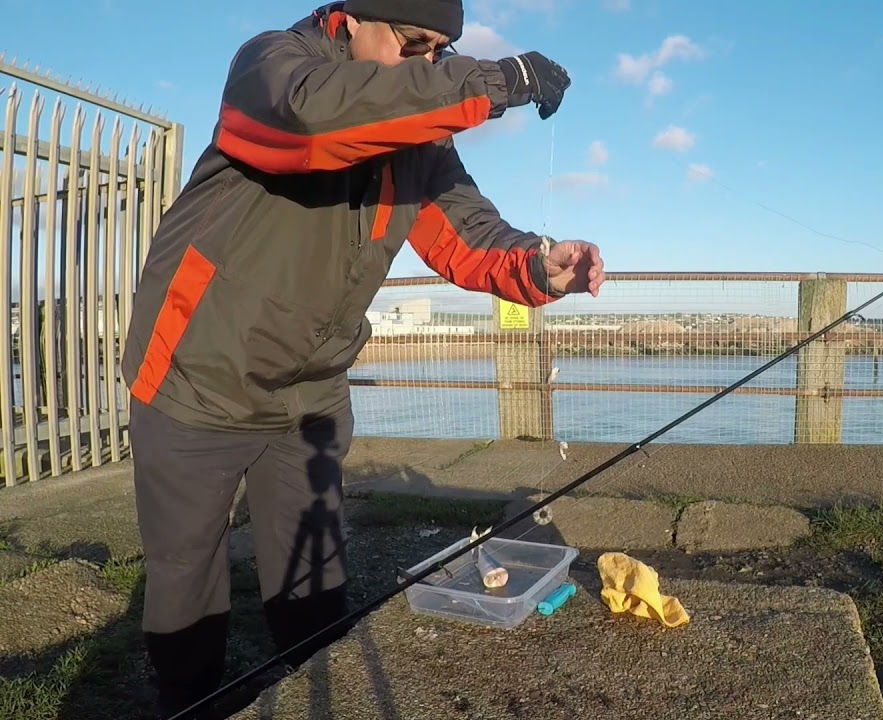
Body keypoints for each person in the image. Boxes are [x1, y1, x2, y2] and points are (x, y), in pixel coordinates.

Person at [119, 1, 604, 716]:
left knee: (314, 575)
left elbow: (467, 233)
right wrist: (497, 82)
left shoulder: (419, 141)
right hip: (199, 376)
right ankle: (192, 703)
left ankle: (319, 686)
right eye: (414, 44)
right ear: (350, 20)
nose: (428, 65)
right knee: (185, 575)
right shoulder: (271, 67)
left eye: (441, 51)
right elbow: (316, 125)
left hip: (309, 391)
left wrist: (540, 266)